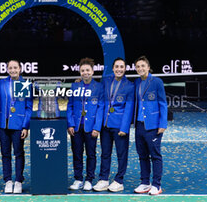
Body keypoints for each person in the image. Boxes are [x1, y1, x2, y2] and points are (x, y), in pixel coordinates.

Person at [93, 58, 134, 192]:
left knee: (121, 154)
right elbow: (98, 96)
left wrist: (124, 128)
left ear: (125, 68)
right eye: (117, 66)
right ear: (113, 68)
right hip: (105, 124)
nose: (119, 69)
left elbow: (129, 108)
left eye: (121, 67)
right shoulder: (106, 81)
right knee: (105, 153)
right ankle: (103, 179)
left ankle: (119, 180)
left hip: (119, 126)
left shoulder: (129, 86)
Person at [67, 57, 104, 191]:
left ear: (92, 71)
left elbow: (101, 108)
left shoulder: (99, 87)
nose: (85, 73)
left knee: (91, 154)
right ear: (80, 72)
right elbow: (70, 106)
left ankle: (89, 179)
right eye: (83, 70)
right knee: (77, 153)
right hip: (76, 127)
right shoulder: (75, 86)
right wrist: (70, 124)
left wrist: (97, 127)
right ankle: (78, 179)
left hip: (91, 128)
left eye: (88, 70)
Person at [133, 55, 167, 195]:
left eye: (143, 66)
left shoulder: (157, 82)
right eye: (138, 66)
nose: (140, 68)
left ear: (148, 67)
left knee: (155, 156)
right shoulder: (136, 83)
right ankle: (145, 182)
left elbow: (163, 103)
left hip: (153, 126)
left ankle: (156, 185)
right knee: (142, 155)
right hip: (139, 126)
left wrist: (162, 123)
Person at [0, 60, 33, 194]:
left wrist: (25, 126)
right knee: (5, 154)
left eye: (15, 68)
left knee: (18, 153)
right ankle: (8, 181)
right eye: (10, 68)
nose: (13, 70)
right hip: (3, 124)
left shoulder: (25, 84)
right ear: (7, 69)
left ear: (20, 69)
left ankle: (18, 180)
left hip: (18, 125)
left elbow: (29, 108)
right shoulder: (1, 83)